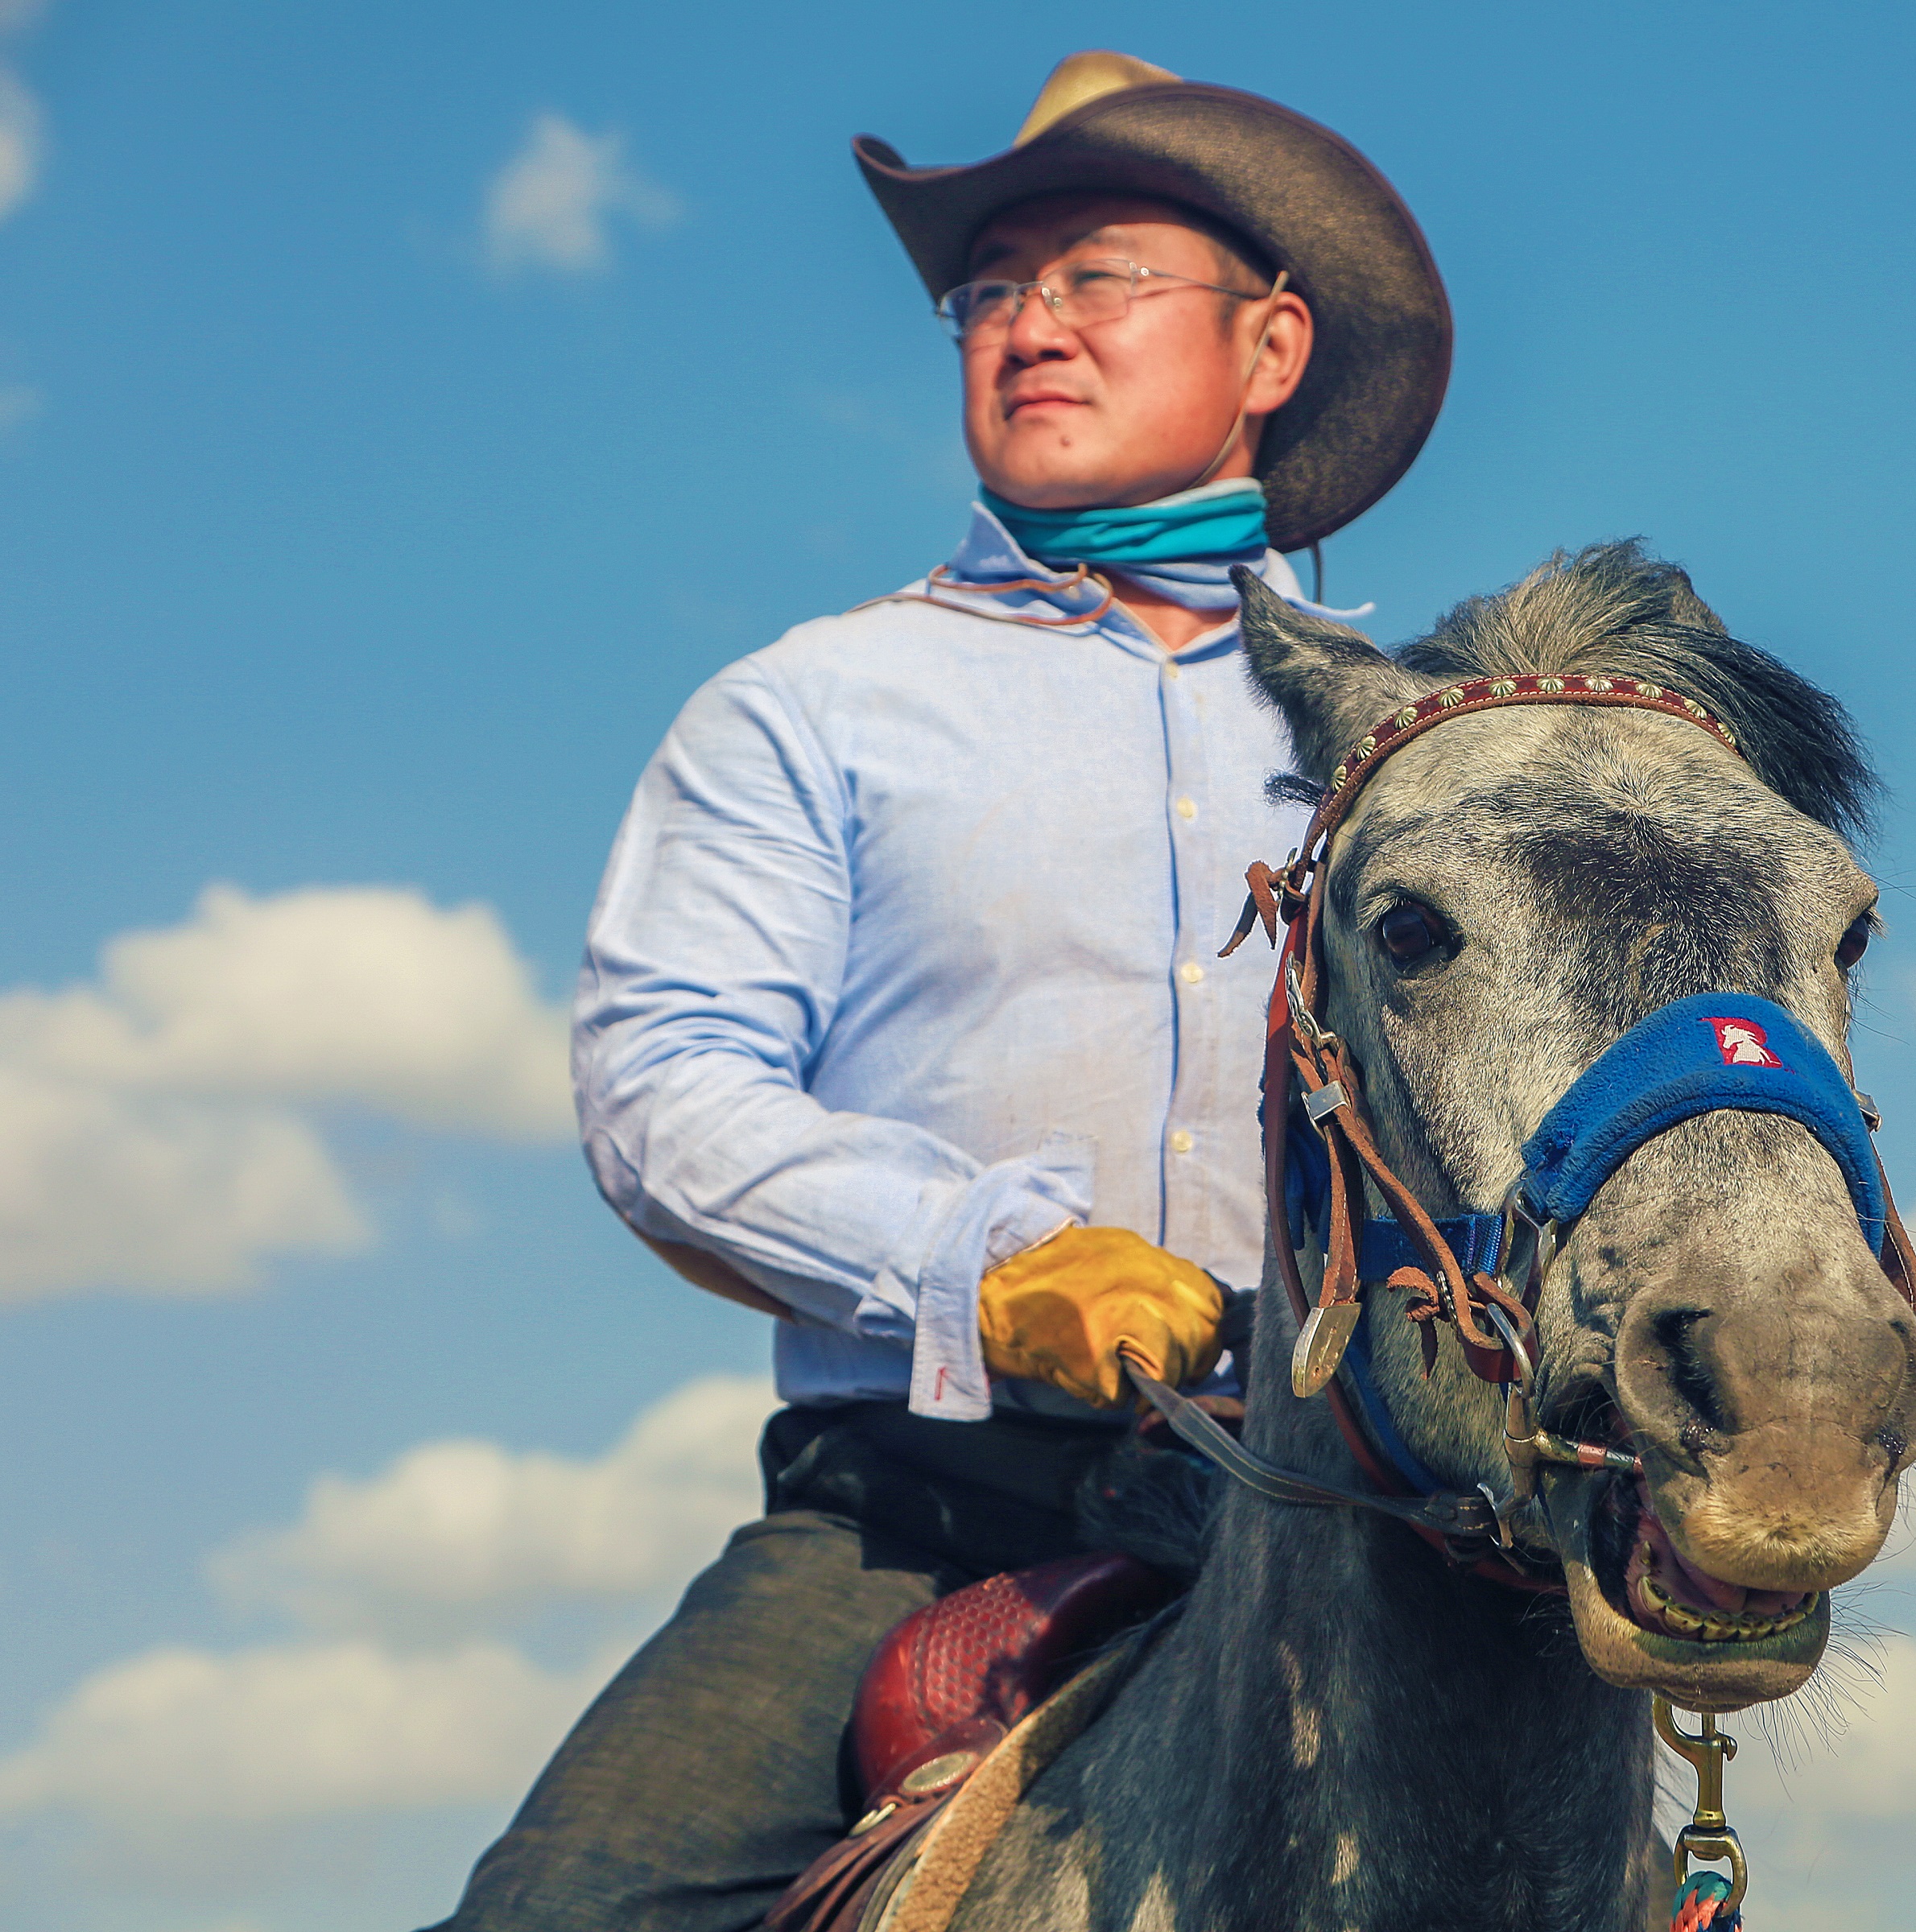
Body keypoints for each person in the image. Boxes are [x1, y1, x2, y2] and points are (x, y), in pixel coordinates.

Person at [427, 51, 1451, 1932]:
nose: (1029, 325)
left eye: (1098, 278)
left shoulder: (1431, 743)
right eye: (993, 291)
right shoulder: (811, 704)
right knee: (555, 1914)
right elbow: (665, 1085)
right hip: (918, 1515)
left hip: (1364, 1510)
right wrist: (985, 1266)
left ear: (1273, 348)